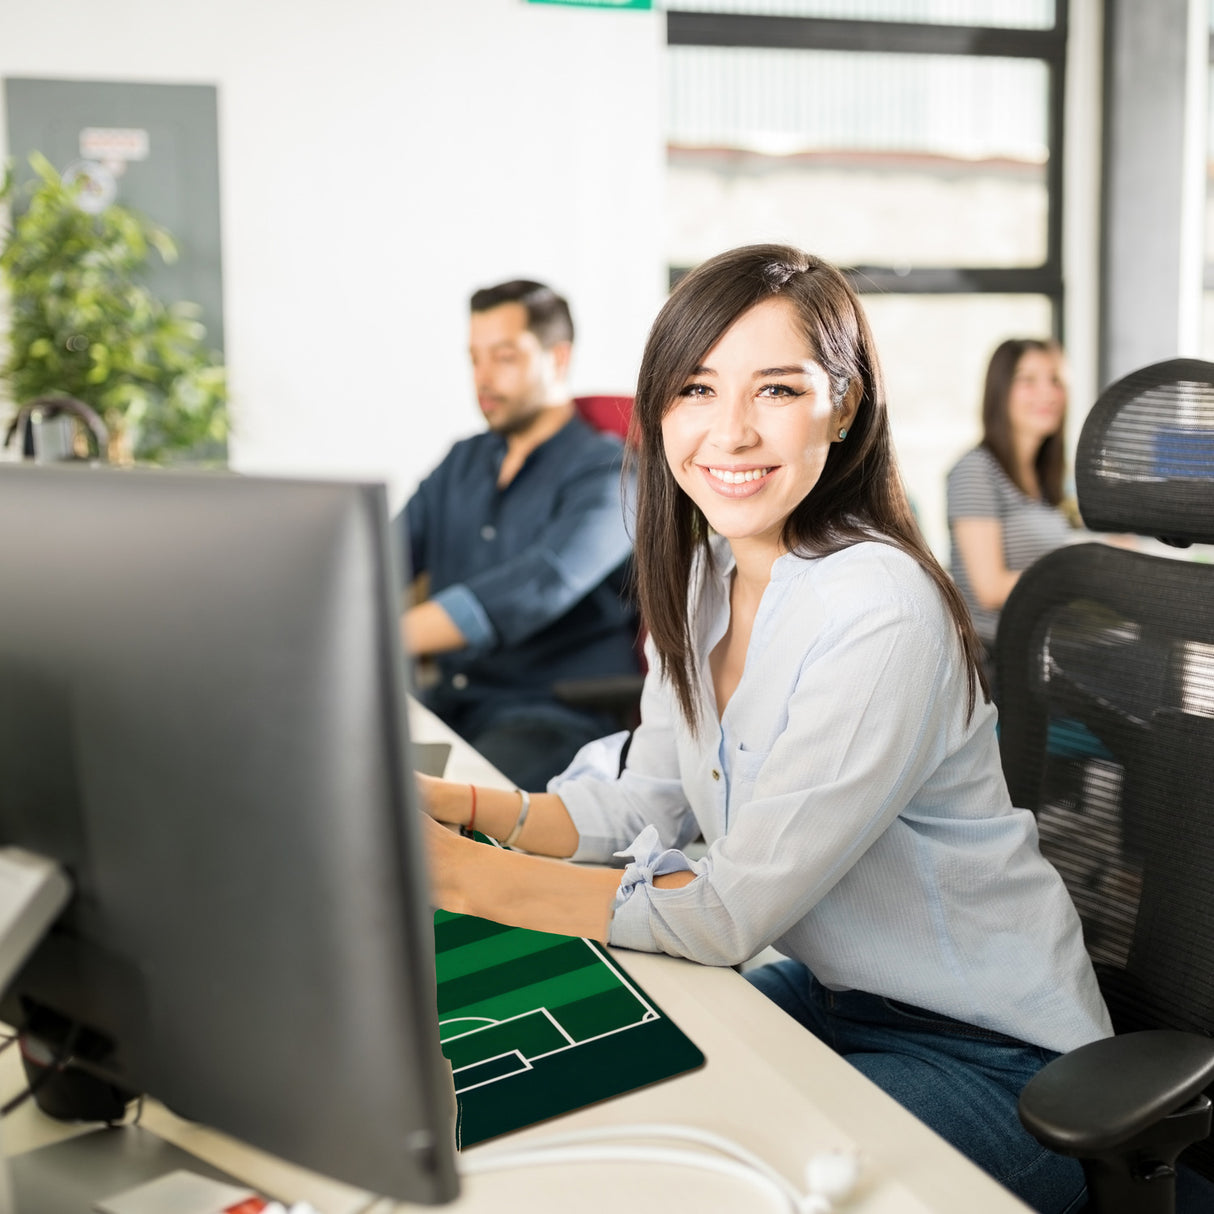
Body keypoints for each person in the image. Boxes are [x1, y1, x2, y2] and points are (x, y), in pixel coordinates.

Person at [418, 246, 1111, 1214]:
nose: (729, 430)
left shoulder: (880, 607)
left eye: (776, 388)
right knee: (598, 1122)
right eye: (695, 388)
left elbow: (725, 908)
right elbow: (639, 797)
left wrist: (450, 873)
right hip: (831, 996)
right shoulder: (705, 572)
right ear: (658, 408)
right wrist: (443, 805)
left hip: (994, 1056)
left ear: (842, 404)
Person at [398, 279, 639, 790]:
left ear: (557, 358)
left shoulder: (612, 473)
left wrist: (381, 636)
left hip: (553, 714)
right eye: (474, 359)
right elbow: (375, 561)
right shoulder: (461, 461)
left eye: (503, 357)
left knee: (434, 817)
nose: (482, 378)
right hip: (454, 702)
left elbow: (540, 585)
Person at [946, 338, 1082, 678]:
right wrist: (1084, 570)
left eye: (1055, 380)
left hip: (1042, 649)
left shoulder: (1044, 479)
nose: (1047, 393)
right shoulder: (975, 470)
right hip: (999, 660)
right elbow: (989, 588)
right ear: (1000, 391)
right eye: (1028, 380)